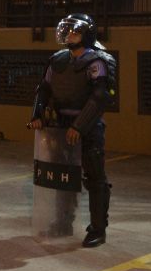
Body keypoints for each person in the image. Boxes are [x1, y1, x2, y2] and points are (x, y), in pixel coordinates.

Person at [29, 13, 117, 248]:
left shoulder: (98, 61)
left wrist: (80, 126)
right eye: (67, 31)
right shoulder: (58, 60)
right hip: (60, 126)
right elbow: (44, 89)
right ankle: (62, 222)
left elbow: (100, 97)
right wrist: (37, 114)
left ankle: (98, 229)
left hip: (88, 128)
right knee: (62, 177)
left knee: (95, 178)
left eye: (74, 32)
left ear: (86, 34)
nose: (69, 35)